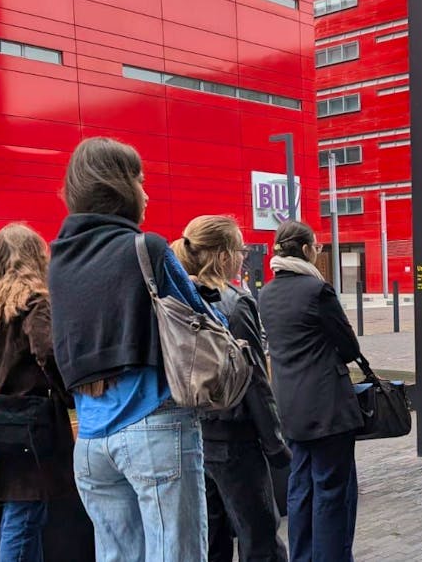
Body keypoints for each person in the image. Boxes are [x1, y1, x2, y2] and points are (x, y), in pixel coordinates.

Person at [48, 137, 210, 562]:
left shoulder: (59, 260)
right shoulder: (147, 248)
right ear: (119, 186)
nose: (146, 191)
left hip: (91, 441)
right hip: (155, 428)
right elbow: (206, 326)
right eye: (140, 179)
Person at [171, 215, 289, 562]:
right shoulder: (235, 302)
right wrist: (274, 442)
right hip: (236, 437)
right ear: (223, 256)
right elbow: (253, 377)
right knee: (260, 537)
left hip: (194, 433)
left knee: (211, 540)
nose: (243, 257)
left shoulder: (176, 297)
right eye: (240, 250)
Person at [258, 221, 363, 562]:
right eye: (316, 247)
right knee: (333, 491)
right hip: (328, 409)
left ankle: (301, 555)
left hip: (290, 407)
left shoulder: (266, 293)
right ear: (305, 250)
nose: (317, 252)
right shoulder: (317, 291)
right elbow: (348, 347)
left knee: (300, 488)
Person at [0, 223, 77, 562]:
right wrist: (71, 394)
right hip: (31, 430)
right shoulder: (35, 302)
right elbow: (48, 353)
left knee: (27, 514)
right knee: (25, 516)